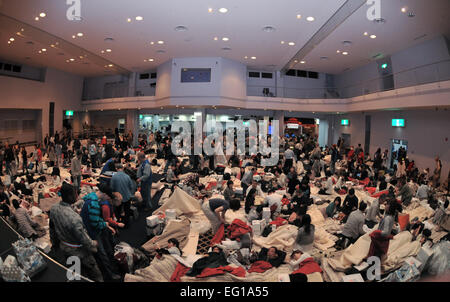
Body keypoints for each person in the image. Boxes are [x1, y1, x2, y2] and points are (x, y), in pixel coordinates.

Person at [49, 182, 103, 282]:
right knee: (96, 275)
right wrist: (94, 243)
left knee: (75, 275)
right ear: (70, 196)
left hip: (65, 248)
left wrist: (54, 244)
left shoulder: (53, 209)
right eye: (75, 194)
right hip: (80, 252)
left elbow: (52, 229)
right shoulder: (75, 219)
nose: (77, 196)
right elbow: (85, 241)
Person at [80, 183, 121, 281]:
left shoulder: (90, 198)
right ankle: (110, 275)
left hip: (90, 231)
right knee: (103, 256)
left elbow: (95, 218)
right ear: (105, 194)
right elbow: (95, 223)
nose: (107, 199)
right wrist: (105, 224)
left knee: (102, 254)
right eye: (107, 197)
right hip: (93, 233)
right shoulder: (94, 204)